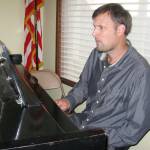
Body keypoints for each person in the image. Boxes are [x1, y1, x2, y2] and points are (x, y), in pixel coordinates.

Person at [55, 3, 150, 150]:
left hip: (105, 141)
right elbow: (84, 85)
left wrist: (94, 141)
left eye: (101, 28)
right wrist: (68, 101)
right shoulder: (97, 54)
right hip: (81, 124)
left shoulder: (140, 71)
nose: (94, 33)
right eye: (94, 27)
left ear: (120, 30)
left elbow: (134, 129)